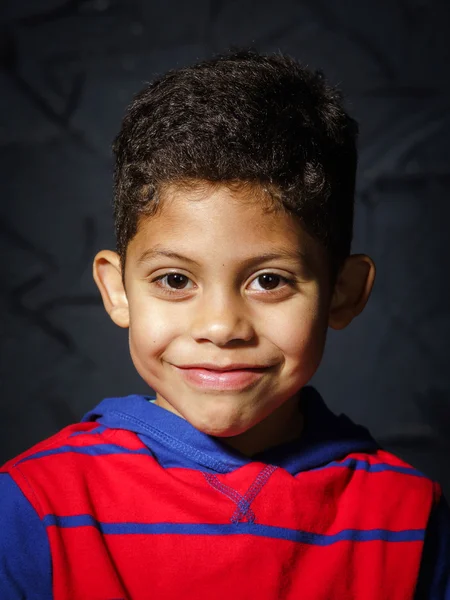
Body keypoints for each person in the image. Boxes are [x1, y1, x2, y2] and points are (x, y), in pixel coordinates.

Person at [1, 49, 449, 599]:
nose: (220, 327)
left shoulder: (411, 518)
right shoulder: (31, 505)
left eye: (269, 281)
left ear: (342, 293)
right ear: (117, 290)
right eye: (173, 280)